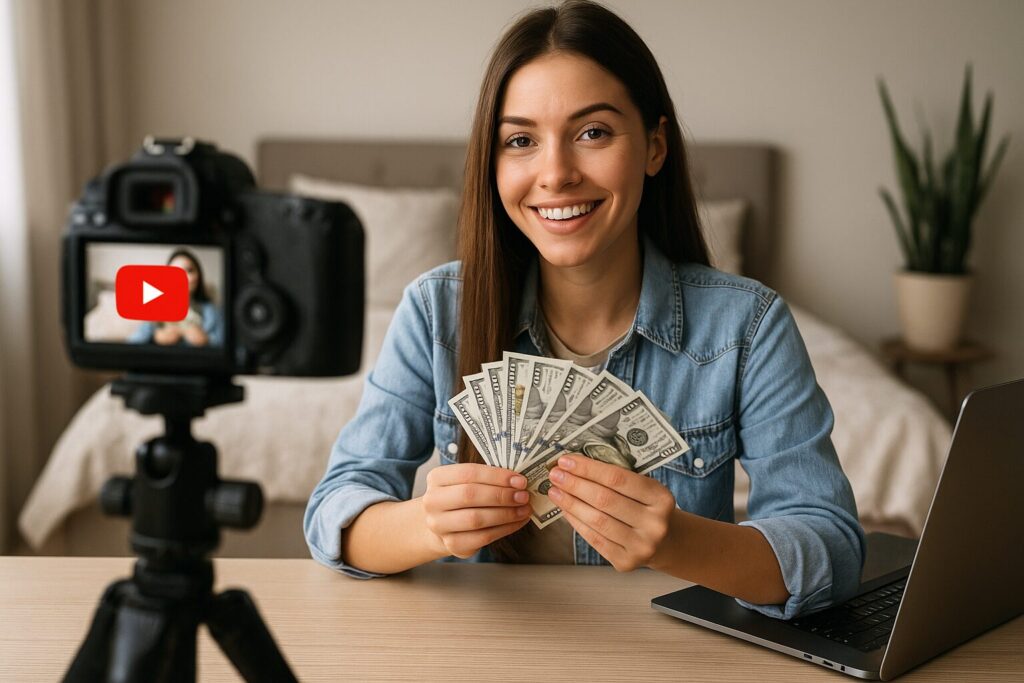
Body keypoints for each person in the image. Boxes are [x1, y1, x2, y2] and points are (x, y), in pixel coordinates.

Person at [305, 0, 863, 619]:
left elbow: (830, 548)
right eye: (520, 141)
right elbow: (336, 511)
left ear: (654, 147)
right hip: (485, 654)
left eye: (592, 133)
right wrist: (427, 526)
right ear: (492, 166)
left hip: (667, 658)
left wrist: (678, 541)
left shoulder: (747, 328)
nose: (556, 174)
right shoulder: (437, 313)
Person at [127, 248, 224, 347]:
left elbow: (225, 346)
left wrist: (206, 340)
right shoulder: (156, 308)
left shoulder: (211, 310)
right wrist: (154, 337)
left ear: (198, 275)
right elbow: (132, 343)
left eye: (189, 270)